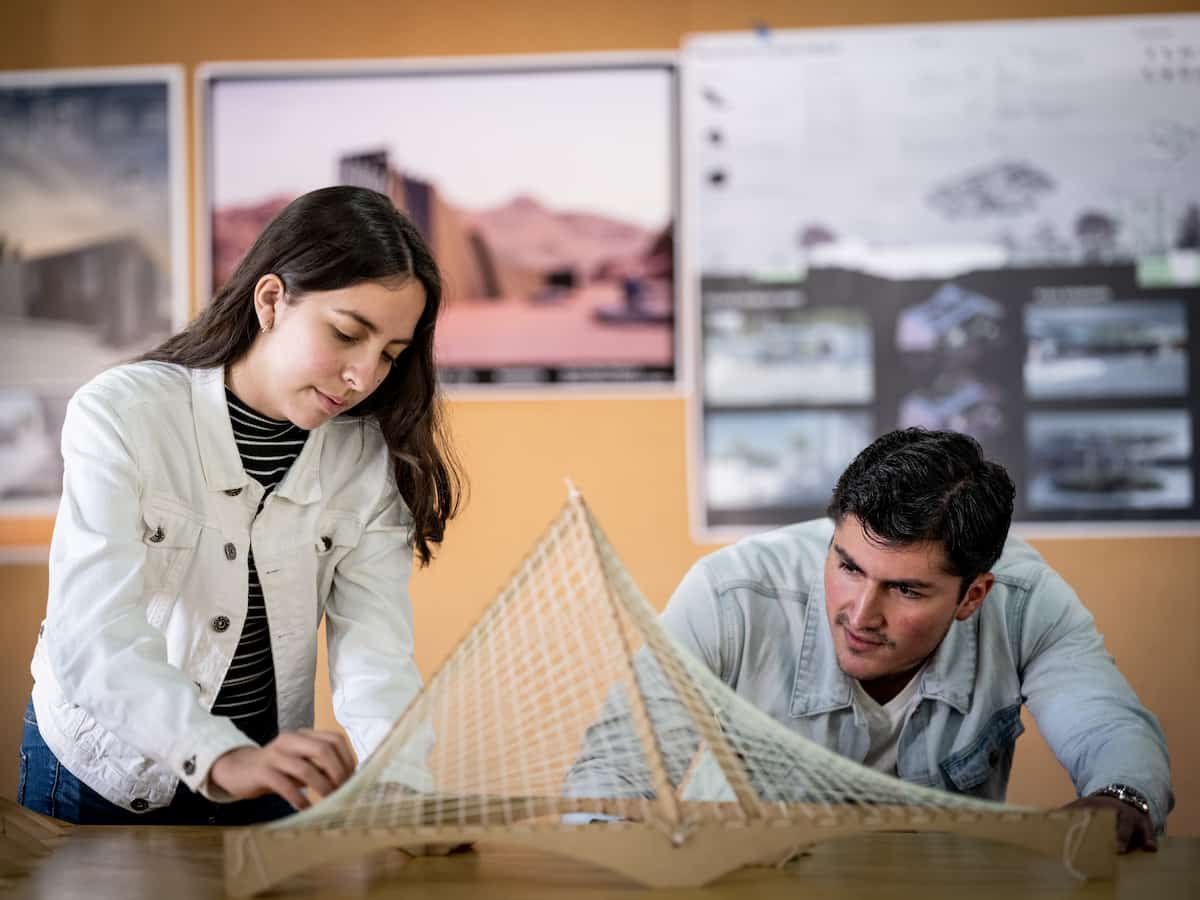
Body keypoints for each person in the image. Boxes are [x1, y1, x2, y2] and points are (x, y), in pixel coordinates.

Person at [19, 185, 463, 825]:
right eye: (346, 334)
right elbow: (92, 632)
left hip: (265, 773)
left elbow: (375, 655)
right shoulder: (121, 413)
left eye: (390, 355)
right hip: (106, 768)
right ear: (272, 300)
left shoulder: (366, 457)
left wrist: (402, 790)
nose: (364, 377)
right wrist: (219, 755)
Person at [568, 428, 1172, 852]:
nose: (860, 613)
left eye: (906, 590)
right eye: (849, 567)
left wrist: (1123, 798)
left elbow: (1110, 730)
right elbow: (616, 773)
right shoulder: (730, 596)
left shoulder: (1027, 602)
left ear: (972, 596)